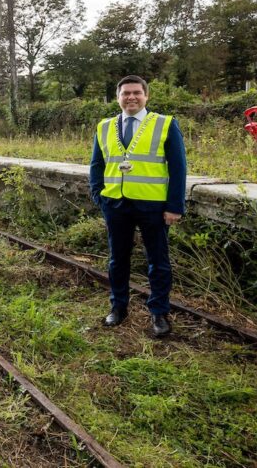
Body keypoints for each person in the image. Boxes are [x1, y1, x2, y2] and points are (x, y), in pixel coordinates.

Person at [89, 75, 186, 338]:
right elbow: (97, 164)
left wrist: (175, 206)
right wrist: (99, 195)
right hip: (116, 203)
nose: (131, 97)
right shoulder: (105, 126)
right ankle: (118, 307)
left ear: (146, 96)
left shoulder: (165, 124)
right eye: (125, 93)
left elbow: (178, 168)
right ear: (117, 97)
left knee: (158, 261)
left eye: (136, 93)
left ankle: (159, 313)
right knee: (117, 259)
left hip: (153, 205)